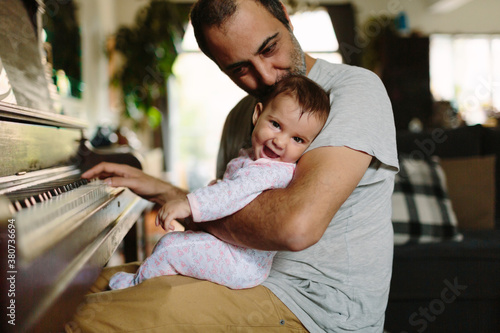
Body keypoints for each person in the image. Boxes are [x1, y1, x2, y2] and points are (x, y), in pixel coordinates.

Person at [68, 0, 398, 332]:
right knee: (71, 293)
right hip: (241, 276)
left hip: (313, 310)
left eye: (269, 48)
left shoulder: (354, 90)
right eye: (240, 68)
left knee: (80, 322)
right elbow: (229, 224)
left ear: (284, 15)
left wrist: (181, 199)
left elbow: (294, 228)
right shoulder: (242, 117)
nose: (266, 75)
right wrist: (165, 191)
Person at [108, 75, 330, 290]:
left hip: (242, 263)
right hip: (232, 249)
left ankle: (136, 287)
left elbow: (232, 193)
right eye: (276, 125)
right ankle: (155, 281)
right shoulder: (254, 158)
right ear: (258, 114)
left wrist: (188, 203)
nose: (280, 141)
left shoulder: (273, 171)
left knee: (169, 247)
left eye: (297, 139)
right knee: (178, 244)